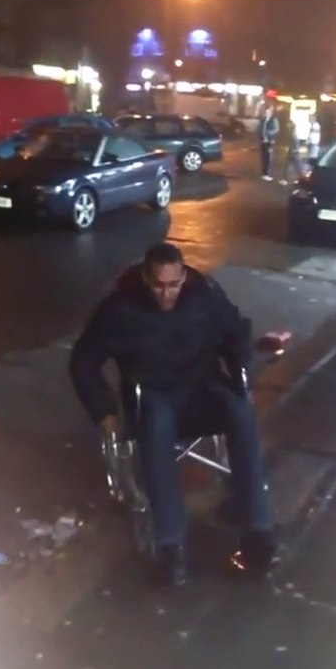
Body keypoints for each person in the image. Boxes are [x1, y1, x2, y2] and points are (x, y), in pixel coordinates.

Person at [69, 243, 279, 586]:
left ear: (183, 276)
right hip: (153, 391)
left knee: (241, 411)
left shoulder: (204, 295)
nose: (166, 294)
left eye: (173, 285)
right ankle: (170, 546)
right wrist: (103, 411)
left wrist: (242, 369)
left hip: (201, 385)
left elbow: (236, 330)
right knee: (157, 423)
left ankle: (258, 531)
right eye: (158, 286)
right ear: (145, 278)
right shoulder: (120, 308)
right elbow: (83, 361)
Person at [258, 106, 279, 181]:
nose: (267, 113)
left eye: (268, 112)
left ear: (271, 112)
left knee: (269, 158)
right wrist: (261, 136)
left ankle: (268, 173)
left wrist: (268, 135)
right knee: (263, 158)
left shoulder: (273, 120)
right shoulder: (263, 120)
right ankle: (264, 173)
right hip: (263, 141)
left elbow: (276, 130)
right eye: (266, 112)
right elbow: (259, 129)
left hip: (270, 142)